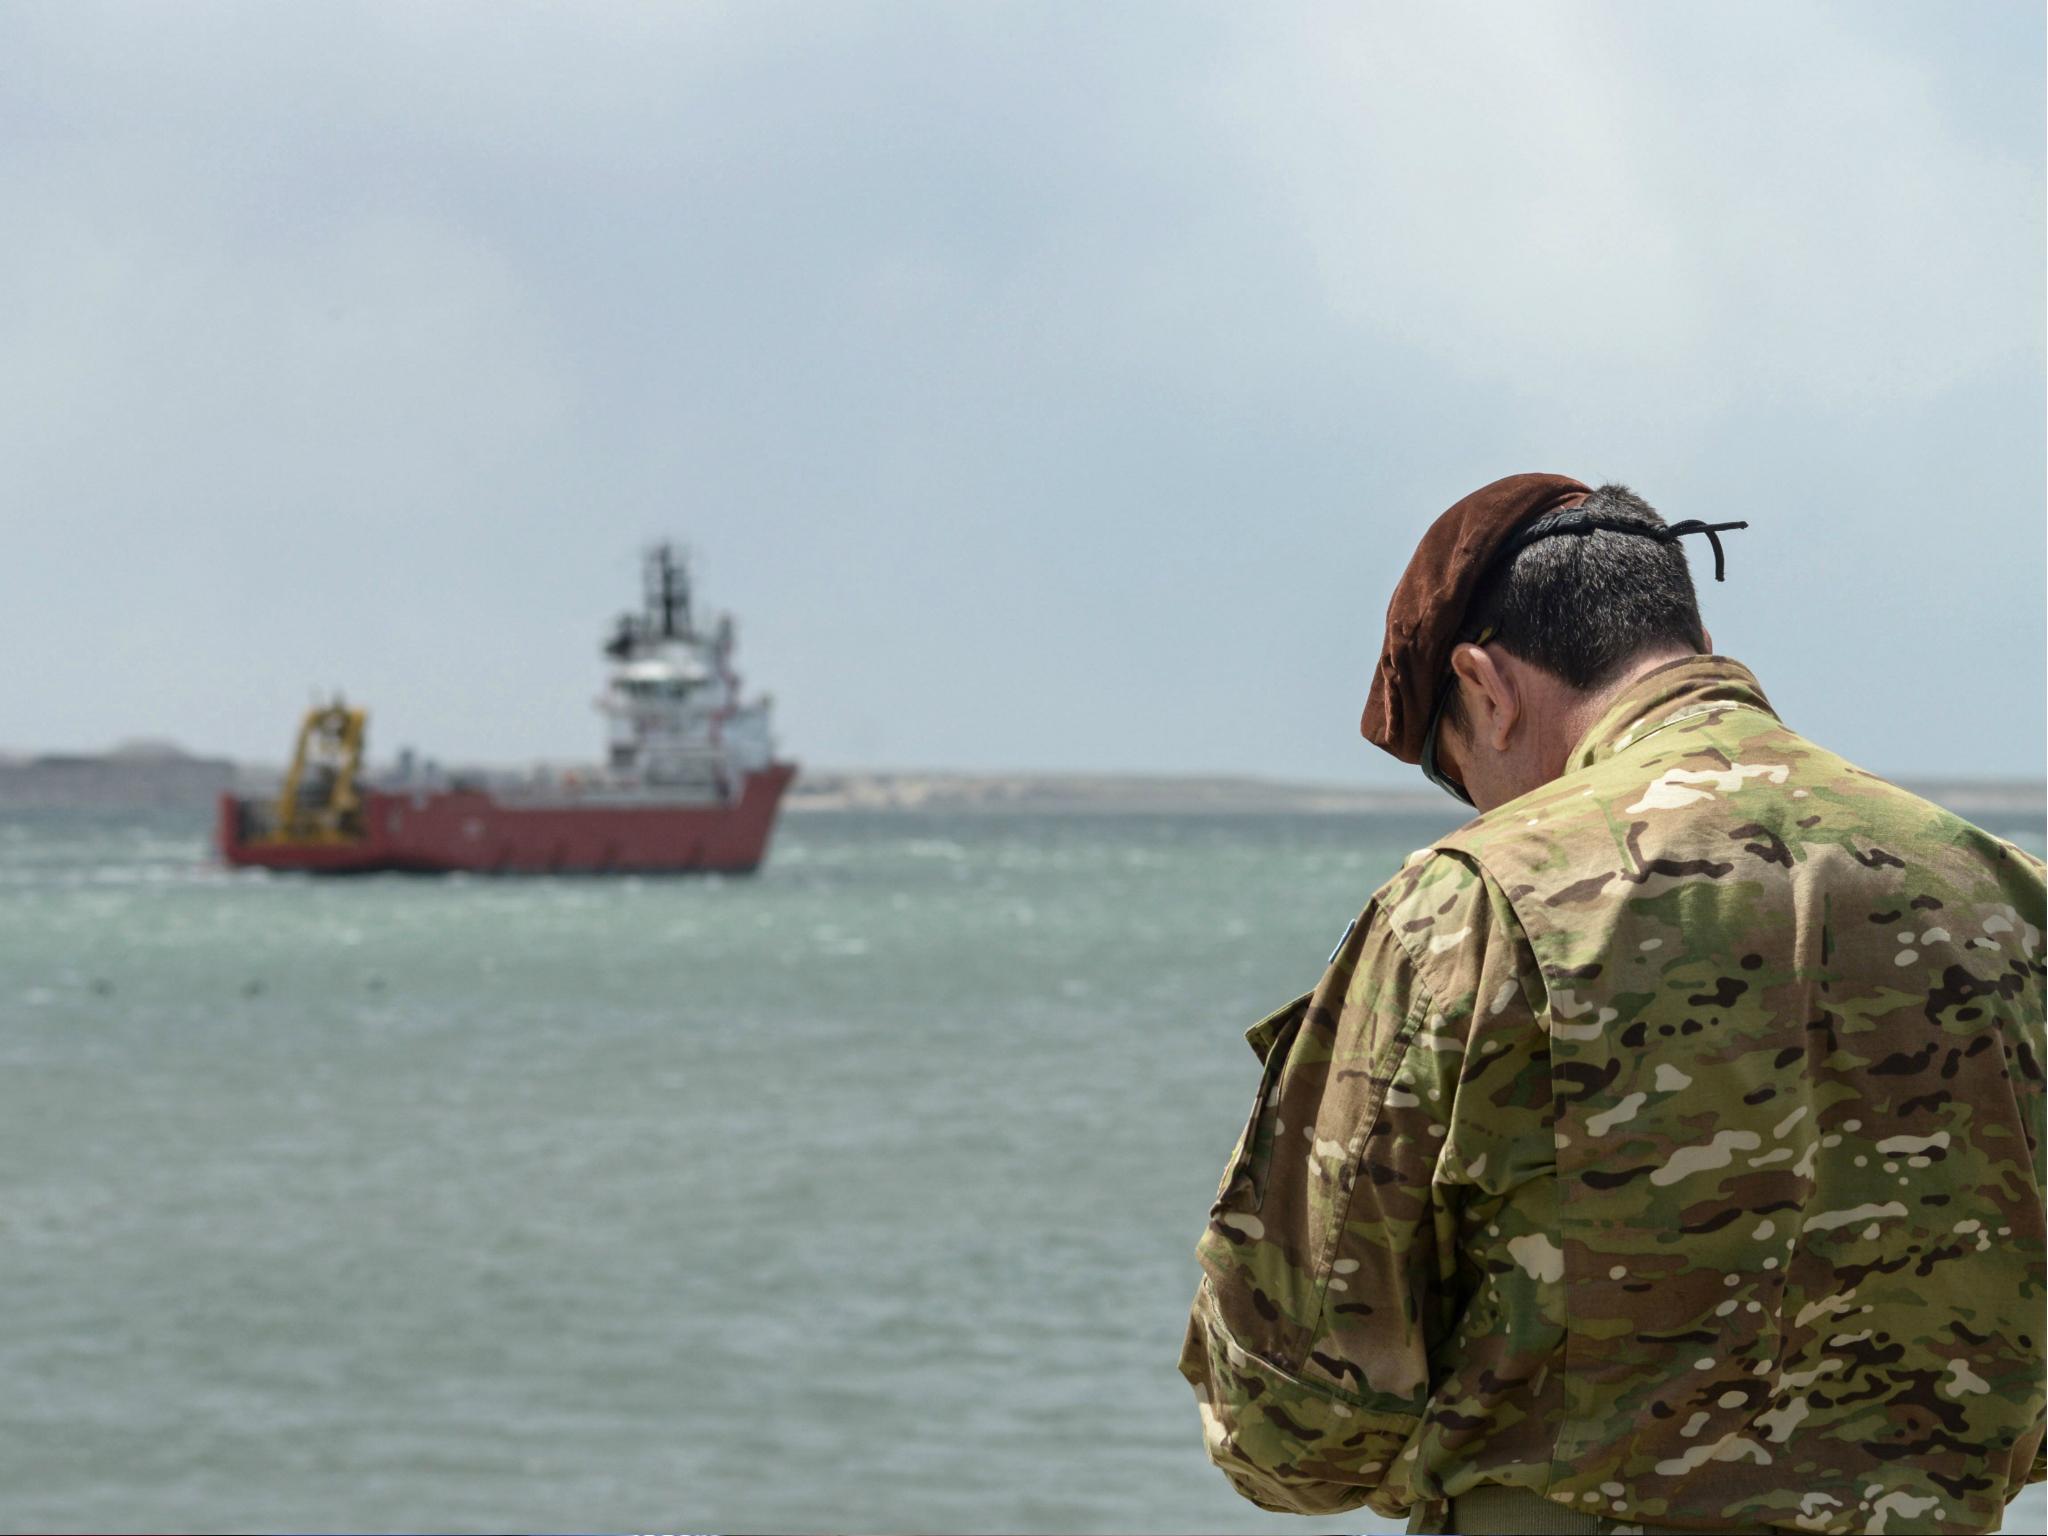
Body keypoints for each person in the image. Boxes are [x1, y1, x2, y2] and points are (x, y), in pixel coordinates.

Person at [1179, 473, 2046, 1536]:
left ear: (1481, 685)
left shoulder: (1471, 904)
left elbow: (1298, 1422)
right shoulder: (2007, 895)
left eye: (1459, 767)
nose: (1490, 805)